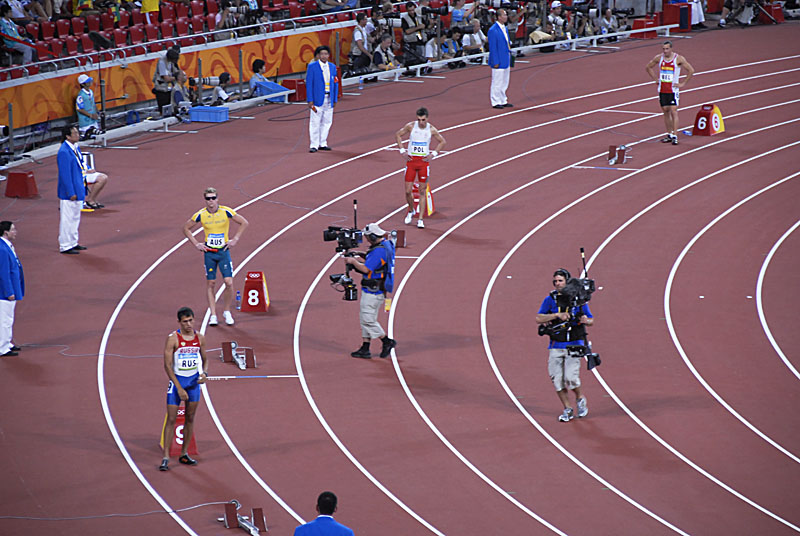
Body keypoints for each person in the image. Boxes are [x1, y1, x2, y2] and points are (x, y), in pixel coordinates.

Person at [182, 188, 249, 326]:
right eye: (208, 198)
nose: (211, 201)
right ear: (205, 200)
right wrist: (196, 243)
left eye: (213, 198)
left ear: (217, 198)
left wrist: (235, 238)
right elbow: (186, 228)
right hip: (209, 253)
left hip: (223, 251)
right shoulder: (200, 215)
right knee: (211, 284)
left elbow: (244, 222)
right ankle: (213, 314)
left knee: (228, 282)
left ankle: (226, 311)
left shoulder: (226, 211)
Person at [535, 268, 594, 422]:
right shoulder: (550, 299)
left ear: (567, 282)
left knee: (571, 378)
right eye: (555, 281)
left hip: (574, 343)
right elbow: (539, 318)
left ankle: (580, 398)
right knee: (557, 380)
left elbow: (591, 319)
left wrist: (585, 321)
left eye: (560, 281)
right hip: (556, 345)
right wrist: (556, 315)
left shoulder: (578, 300)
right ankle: (567, 408)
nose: (557, 284)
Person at [159, 307, 208, 471]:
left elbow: (205, 359)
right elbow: (167, 366)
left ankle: (184, 453)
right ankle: (166, 456)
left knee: (190, 418)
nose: (189, 324)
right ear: (179, 322)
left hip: (193, 383)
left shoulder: (199, 337)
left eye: (191, 320)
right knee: (171, 419)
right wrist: (179, 388)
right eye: (185, 321)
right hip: (177, 382)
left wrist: (205, 373)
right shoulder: (173, 339)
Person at [345, 222, 396, 359]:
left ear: (373, 237)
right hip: (376, 289)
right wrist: (361, 255)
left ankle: (387, 341)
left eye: (368, 237)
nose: (366, 239)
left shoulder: (379, 251)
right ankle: (365, 347)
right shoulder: (384, 246)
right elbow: (375, 261)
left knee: (368, 320)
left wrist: (353, 262)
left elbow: (366, 269)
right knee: (366, 318)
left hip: (372, 291)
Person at [395, 107, 445, 229]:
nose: (421, 122)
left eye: (423, 120)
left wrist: (433, 154)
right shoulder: (411, 126)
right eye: (419, 119)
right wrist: (402, 150)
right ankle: (411, 210)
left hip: (423, 163)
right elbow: (398, 135)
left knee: (422, 191)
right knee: (408, 191)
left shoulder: (431, 129)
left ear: (427, 118)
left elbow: (442, 141)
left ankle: (420, 219)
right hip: (411, 162)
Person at [645, 40, 695, 146]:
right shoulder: (659, 58)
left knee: (673, 110)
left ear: (671, 49)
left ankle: (675, 136)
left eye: (667, 49)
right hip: (662, 89)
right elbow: (648, 67)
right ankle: (669, 134)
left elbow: (691, 70)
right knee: (665, 111)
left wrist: (683, 83)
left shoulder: (678, 59)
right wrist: (655, 79)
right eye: (663, 49)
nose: (665, 51)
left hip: (673, 90)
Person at [57, 125, 88, 255]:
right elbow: (65, 175)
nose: (77, 134)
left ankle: (73, 242)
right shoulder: (64, 152)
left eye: (77, 132)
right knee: (67, 219)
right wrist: (71, 192)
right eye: (74, 133)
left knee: (75, 218)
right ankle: (65, 245)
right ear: (67, 136)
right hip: (69, 192)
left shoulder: (75, 148)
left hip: (78, 187)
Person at [306, 45, 339, 153]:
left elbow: (335, 82)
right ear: (318, 55)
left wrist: (335, 98)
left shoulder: (332, 67)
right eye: (322, 54)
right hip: (317, 99)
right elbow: (309, 84)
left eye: (326, 54)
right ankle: (314, 144)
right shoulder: (312, 67)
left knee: (327, 121)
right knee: (315, 121)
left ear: (329, 55)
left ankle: (323, 142)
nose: (324, 56)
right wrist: (310, 99)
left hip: (329, 97)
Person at [0, 221, 23, 358]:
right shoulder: (2, 249)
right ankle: (2, 347)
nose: (15, 232)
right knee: (5, 320)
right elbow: (3, 273)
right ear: (6, 232)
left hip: (10, 289)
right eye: (13, 229)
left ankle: (7, 342)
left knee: (9, 318)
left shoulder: (6, 246)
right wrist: (9, 292)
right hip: (4, 293)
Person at [488, 8, 512, 109]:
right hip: (498, 59)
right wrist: (495, 61)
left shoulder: (504, 28)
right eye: (504, 15)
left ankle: (503, 99)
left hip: (506, 57)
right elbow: (492, 48)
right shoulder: (492, 30)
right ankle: (495, 101)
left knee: (505, 81)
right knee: (497, 81)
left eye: (506, 15)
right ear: (498, 17)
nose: (506, 17)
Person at [152, 46, 181, 114]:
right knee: (164, 109)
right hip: (161, 89)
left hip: (169, 89)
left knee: (171, 107)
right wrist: (176, 77)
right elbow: (166, 78)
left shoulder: (171, 61)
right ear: (171, 58)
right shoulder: (162, 62)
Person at [75, 73, 100, 140]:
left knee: (94, 131)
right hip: (85, 119)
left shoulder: (91, 92)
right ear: (83, 84)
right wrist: (90, 115)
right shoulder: (81, 95)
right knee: (86, 132)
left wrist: (97, 112)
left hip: (92, 118)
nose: (90, 82)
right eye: (87, 82)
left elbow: (93, 103)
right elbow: (79, 108)